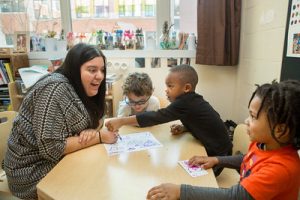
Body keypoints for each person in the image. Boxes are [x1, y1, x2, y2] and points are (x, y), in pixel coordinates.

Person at [146, 80, 300, 200]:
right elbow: (248, 159)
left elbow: (235, 197)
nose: (246, 121)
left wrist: (180, 191)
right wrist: (216, 160)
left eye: (253, 117)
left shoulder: (281, 168)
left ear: (280, 130)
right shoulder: (264, 143)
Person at [4, 43, 119, 200]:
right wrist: (98, 137)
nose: (99, 76)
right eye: (92, 70)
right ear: (75, 68)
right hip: (29, 173)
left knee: (101, 174)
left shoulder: (79, 87)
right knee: (93, 180)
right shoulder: (54, 89)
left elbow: (98, 118)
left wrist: (91, 130)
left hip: (56, 160)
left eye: (102, 70)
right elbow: (52, 148)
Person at [106, 64, 233, 176]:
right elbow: (204, 122)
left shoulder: (184, 103)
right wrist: (185, 128)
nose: (166, 90)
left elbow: (156, 117)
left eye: (170, 86)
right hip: (222, 150)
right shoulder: (193, 101)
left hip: (218, 156)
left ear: (187, 88)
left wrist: (122, 121)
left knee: (182, 176)